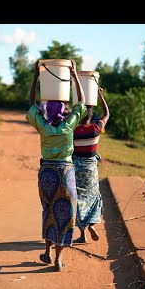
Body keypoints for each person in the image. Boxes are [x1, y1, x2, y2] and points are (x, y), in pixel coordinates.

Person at [26, 59, 87, 272]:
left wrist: (36, 76)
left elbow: (30, 103)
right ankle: (59, 259)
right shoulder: (69, 125)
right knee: (66, 213)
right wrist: (74, 75)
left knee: (48, 210)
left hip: (48, 173)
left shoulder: (43, 126)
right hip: (67, 172)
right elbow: (83, 101)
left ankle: (47, 252)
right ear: (63, 110)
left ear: (48, 110)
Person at [72, 87, 110, 243]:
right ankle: (92, 224)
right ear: (91, 117)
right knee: (94, 197)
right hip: (91, 169)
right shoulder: (95, 129)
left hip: (77, 169)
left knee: (80, 200)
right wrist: (101, 96)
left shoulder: (72, 131)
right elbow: (107, 114)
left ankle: (82, 235)